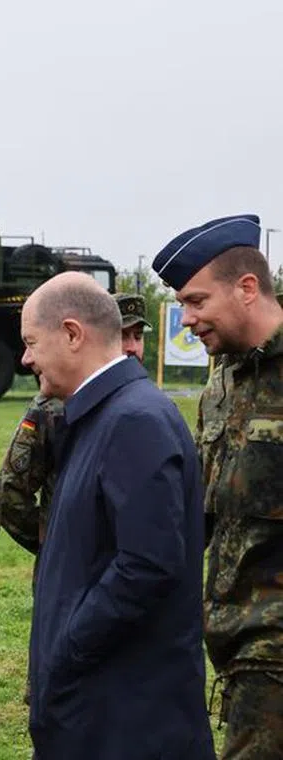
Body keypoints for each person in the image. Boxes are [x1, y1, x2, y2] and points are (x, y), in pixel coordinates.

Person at [20, 272, 213, 759]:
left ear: (71, 334)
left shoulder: (133, 421)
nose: (25, 359)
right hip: (101, 709)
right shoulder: (101, 416)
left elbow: (148, 565)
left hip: (125, 722)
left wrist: (69, 646)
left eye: (30, 342)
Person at [152, 213, 283, 758]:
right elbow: (209, 508)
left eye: (197, 301)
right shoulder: (222, 381)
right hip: (232, 642)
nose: (187, 319)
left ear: (247, 288)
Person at [0, 292, 152, 559]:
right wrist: (55, 543)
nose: (131, 348)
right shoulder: (52, 411)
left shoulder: (155, 409)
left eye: (137, 337)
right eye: (122, 336)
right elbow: (9, 492)